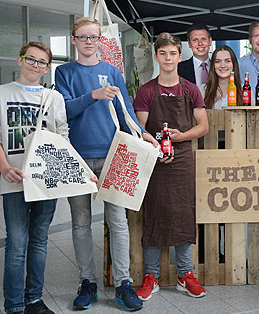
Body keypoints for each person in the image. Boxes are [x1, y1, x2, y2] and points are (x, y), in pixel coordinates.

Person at [55, 17, 158, 311]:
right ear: (73, 40)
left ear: (101, 41)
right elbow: (64, 110)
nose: (89, 42)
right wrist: (93, 96)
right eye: (83, 37)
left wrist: (146, 135)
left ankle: (123, 283)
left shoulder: (112, 71)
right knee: (81, 223)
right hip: (77, 157)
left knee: (118, 222)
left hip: (114, 154)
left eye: (94, 37)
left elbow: (126, 111)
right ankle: (87, 281)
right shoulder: (64, 72)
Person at [0, 42, 69, 314]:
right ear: (20, 60)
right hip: (14, 179)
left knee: (39, 241)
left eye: (42, 62)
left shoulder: (54, 98)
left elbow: (63, 137)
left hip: (46, 181)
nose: (36, 65)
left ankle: (34, 299)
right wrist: (3, 167)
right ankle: (14, 305)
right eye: (31, 60)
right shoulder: (0, 93)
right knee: (16, 244)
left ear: (47, 68)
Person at [133, 32, 209, 301]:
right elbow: (139, 129)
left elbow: (203, 126)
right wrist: (155, 148)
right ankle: (150, 276)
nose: (168, 58)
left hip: (183, 160)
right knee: (154, 214)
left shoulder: (190, 89)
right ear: (156, 57)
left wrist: (181, 136)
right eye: (163, 53)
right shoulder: (146, 91)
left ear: (180, 56)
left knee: (182, 213)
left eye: (172, 53)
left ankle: (185, 275)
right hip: (153, 162)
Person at [178, 24, 212, 93]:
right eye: (195, 40)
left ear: (210, 41)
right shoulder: (178, 69)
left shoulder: (219, 68)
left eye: (203, 39)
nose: (200, 43)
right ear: (189, 43)